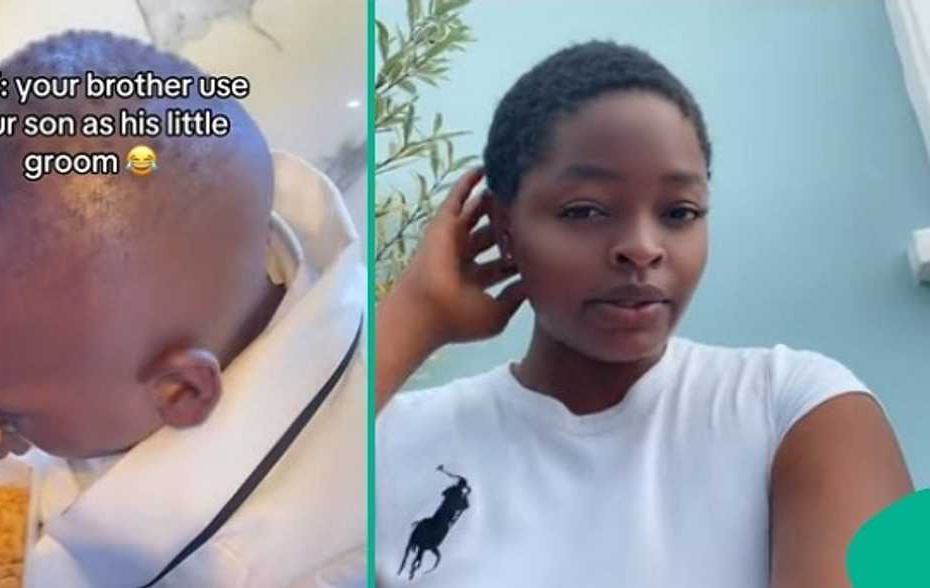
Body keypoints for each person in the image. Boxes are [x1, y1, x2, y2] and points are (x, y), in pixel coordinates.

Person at [375, 40, 912, 587]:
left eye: (680, 212)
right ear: (503, 230)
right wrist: (412, 318)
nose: (641, 247)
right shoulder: (391, 443)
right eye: (585, 210)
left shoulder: (796, 409)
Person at [0, 31, 366, 587]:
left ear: (182, 391)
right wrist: (6, 404)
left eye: (11, 412)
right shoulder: (213, 271)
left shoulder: (261, 564)